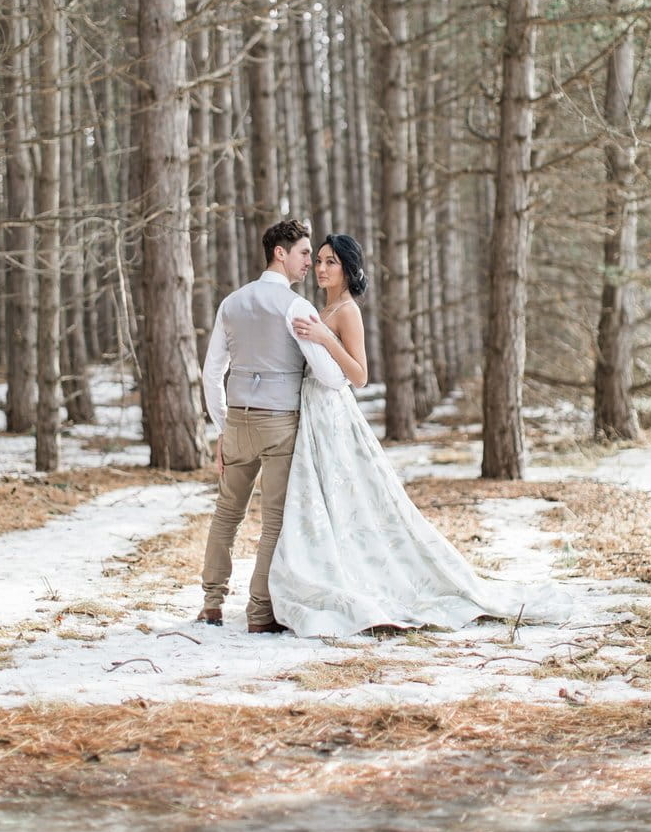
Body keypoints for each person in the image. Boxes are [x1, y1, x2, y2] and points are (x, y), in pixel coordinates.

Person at [269, 233, 573, 638]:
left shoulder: (346, 312)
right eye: (319, 261)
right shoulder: (321, 309)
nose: (321, 269)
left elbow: (359, 377)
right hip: (312, 414)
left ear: (347, 269)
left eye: (331, 263)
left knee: (354, 498)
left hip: (334, 414)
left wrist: (325, 339)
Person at [198, 219, 344, 633]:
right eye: (303, 253)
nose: (309, 264)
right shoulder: (297, 307)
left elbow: (212, 373)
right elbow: (329, 374)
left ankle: (211, 603)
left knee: (226, 514)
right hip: (280, 423)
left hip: (239, 420)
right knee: (273, 521)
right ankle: (260, 613)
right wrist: (342, 367)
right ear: (280, 252)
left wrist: (224, 425)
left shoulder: (232, 302)